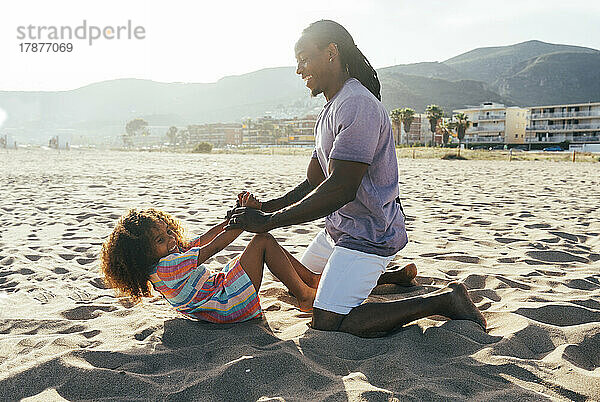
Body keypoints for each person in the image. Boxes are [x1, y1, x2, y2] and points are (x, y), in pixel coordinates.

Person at [227, 20, 486, 337]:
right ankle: (392, 279)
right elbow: (315, 179)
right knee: (302, 292)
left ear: (331, 52)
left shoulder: (357, 104)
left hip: (368, 233)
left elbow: (341, 189)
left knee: (327, 319)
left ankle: (444, 300)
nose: (299, 69)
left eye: (305, 58)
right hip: (339, 229)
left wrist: (269, 222)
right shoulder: (331, 107)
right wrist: (266, 208)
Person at [99, 196, 317, 323]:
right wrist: (247, 220)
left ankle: (309, 279)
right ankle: (304, 295)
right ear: (142, 253)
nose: (171, 238)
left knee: (259, 247)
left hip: (216, 300)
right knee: (263, 241)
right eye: (160, 239)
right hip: (228, 304)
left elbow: (206, 237)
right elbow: (215, 246)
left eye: (168, 231)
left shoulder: (164, 260)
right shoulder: (168, 267)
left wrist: (236, 215)